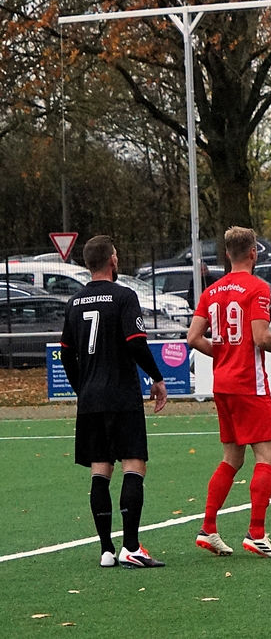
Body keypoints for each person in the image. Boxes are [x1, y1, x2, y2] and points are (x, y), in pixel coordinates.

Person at [187, 227, 271, 559]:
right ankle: (256, 533)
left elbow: (193, 338)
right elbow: (261, 337)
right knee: (267, 456)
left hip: (222, 384)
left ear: (227, 254)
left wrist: (223, 354)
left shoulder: (212, 290)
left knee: (232, 457)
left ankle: (208, 528)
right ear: (253, 253)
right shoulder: (257, 288)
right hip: (248, 384)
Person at [59, 235, 168, 569]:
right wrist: (157, 378)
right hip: (121, 395)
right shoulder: (123, 296)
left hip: (91, 399)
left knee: (100, 469)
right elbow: (135, 343)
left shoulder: (74, 302)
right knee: (133, 464)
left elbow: (66, 354)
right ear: (112, 260)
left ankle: (107, 549)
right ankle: (131, 547)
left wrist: (82, 388)